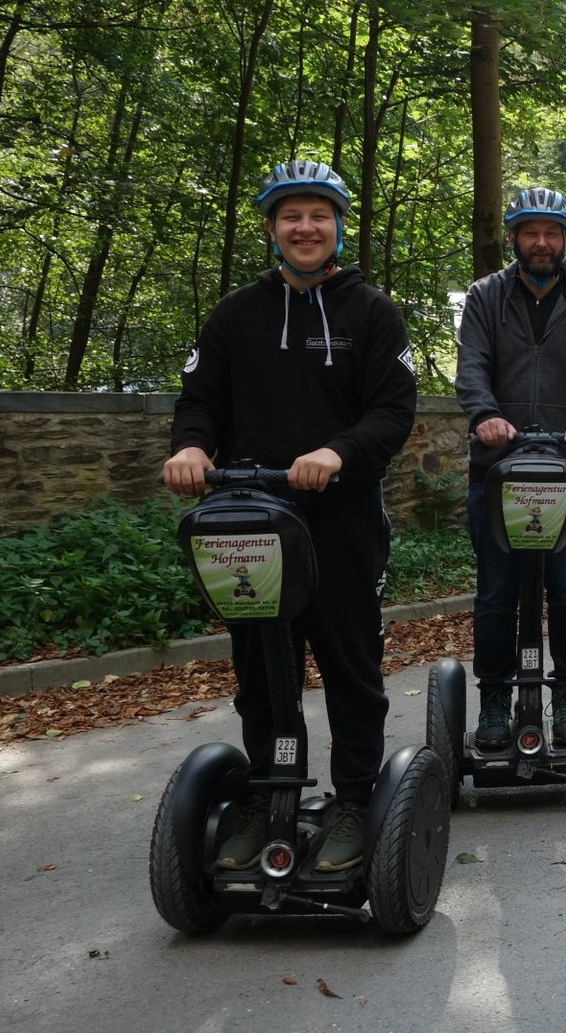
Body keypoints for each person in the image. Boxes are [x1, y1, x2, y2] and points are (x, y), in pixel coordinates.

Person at [163, 160, 418, 874]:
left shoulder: (371, 313)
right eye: (291, 216)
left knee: (350, 668)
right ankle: (271, 793)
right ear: (273, 228)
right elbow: (199, 400)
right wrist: (191, 447)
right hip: (249, 520)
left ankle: (354, 800)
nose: (305, 227)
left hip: (341, 522)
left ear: (338, 226)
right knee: (262, 670)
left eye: (318, 215)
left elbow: (392, 412)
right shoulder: (235, 314)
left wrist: (338, 452)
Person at [456, 186, 566, 751]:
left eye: (552, 232)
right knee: (496, 595)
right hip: (496, 470)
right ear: (513, 238)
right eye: (531, 232)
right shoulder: (486, 297)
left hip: (564, 471)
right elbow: (471, 366)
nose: (542, 242)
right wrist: (485, 415)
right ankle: (495, 699)